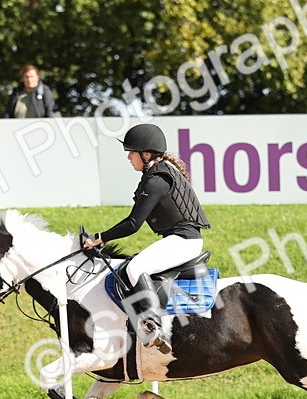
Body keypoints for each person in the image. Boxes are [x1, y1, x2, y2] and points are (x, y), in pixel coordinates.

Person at [81, 124, 211, 353]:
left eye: (132, 153)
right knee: (136, 265)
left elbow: (133, 224)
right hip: (181, 238)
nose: (129, 158)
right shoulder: (159, 172)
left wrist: (99, 238)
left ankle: (154, 326)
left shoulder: (157, 181)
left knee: (135, 268)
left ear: (146, 154)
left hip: (184, 240)